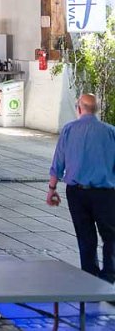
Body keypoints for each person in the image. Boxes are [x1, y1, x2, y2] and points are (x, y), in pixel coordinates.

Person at [47, 93, 115, 283]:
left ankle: (90, 277)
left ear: (78, 108)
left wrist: (52, 189)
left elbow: (58, 162)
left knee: (85, 236)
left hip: (76, 193)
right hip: (105, 193)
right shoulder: (111, 132)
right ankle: (109, 277)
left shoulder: (68, 130)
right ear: (97, 110)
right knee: (111, 236)